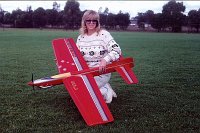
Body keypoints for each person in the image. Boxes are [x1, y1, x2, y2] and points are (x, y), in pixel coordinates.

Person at [76, 10, 121, 103]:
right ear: (84, 22)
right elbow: (76, 55)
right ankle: (103, 86)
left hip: (100, 71)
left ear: (97, 22)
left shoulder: (103, 34)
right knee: (77, 89)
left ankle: (106, 90)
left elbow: (117, 50)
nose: (91, 23)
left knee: (86, 93)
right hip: (85, 71)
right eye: (88, 20)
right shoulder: (81, 37)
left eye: (94, 20)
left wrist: (105, 60)